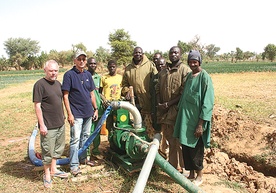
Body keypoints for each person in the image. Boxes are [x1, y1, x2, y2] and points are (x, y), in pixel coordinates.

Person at [173, 50, 214, 186]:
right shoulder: (190, 76)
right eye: (190, 62)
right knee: (185, 147)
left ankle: (199, 176)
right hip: (185, 120)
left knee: (196, 149)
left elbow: (207, 103)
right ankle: (190, 173)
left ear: (199, 62)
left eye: (195, 62)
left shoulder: (204, 77)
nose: (192, 64)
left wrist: (200, 124)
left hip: (196, 122)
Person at [62, 50, 99, 176]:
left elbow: (92, 94)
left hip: (88, 113)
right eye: (79, 59)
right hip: (76, 114)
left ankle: (83, 159)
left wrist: (95, 109)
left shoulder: (88, 74)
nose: (82, 61)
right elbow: (65, 96)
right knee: (75, 139)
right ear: (75, 60)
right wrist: (69, 114)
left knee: (85, 137)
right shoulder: (69, 75)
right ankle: (73, 165)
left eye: (84, 59)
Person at [33, 60, 68, 188]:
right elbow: (37, 106)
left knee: (58, 149)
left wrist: (63, 116)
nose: (53, 73)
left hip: (60, 123)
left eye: (56, 71)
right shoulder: (40, 85)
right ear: (45, 71)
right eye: (51, 71)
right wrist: (42, 125)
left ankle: (54, 169)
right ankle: (47, 175)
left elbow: (60, 101)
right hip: (48, 125)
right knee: (47, 151)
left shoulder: (58, 84)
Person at [156, 46, 191, 173]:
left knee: (181, 143)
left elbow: (184, 93)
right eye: (171, 52)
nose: (173, 54)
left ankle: (185, 169)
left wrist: (169, 104)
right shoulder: (164, 72)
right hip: (166, 113)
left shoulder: (185, 70)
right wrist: (160, 103)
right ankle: (172, 169)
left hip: (179, 112)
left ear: (180, 55)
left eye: (176, 52)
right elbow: (158, 88)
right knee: (170, 141)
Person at [121, 47, 158, 139]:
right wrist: (127, 91)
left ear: (142, 54)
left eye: (139, 52)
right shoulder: (128, 69)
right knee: (138, 128)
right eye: (135, 53)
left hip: (149, 103)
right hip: (135, 104)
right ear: (133, 54)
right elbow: (124, 84)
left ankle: (152, 150)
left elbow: (157, 81)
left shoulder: (150, 65)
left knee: (150, 129)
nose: (137, 54)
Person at [86, 57, 105, 163]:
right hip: (89, 108)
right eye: (91, 63)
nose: (93, 65)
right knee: (89, 131)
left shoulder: (98, 77)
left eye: (94, 63)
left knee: (97, 130)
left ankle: (96, 151)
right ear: (87, 64)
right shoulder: (84, 76)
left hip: (99, 109)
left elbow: (100, 93)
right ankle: (87, 152)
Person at [150, 57, 167, 155]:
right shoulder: (154, 78)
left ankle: (165, 153)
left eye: (162, 64)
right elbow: (152, 94)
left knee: (167, 134)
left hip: (167, 109)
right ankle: (158, 153)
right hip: (156, 109)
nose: (160, 66)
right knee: (157, 131)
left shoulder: (169, 76)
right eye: (158, 65)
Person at [100, 60, 123, 132]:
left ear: (116, 67)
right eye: (110, 67)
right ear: (107, 67)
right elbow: (99, 92)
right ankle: (111, 141)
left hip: (118, 104)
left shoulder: (121, 77)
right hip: (108, 105)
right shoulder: (104, 78)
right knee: (109, 125)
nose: (112, 68)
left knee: (119, 123)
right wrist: (104, 100)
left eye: (113, 67)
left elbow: (124, 89)